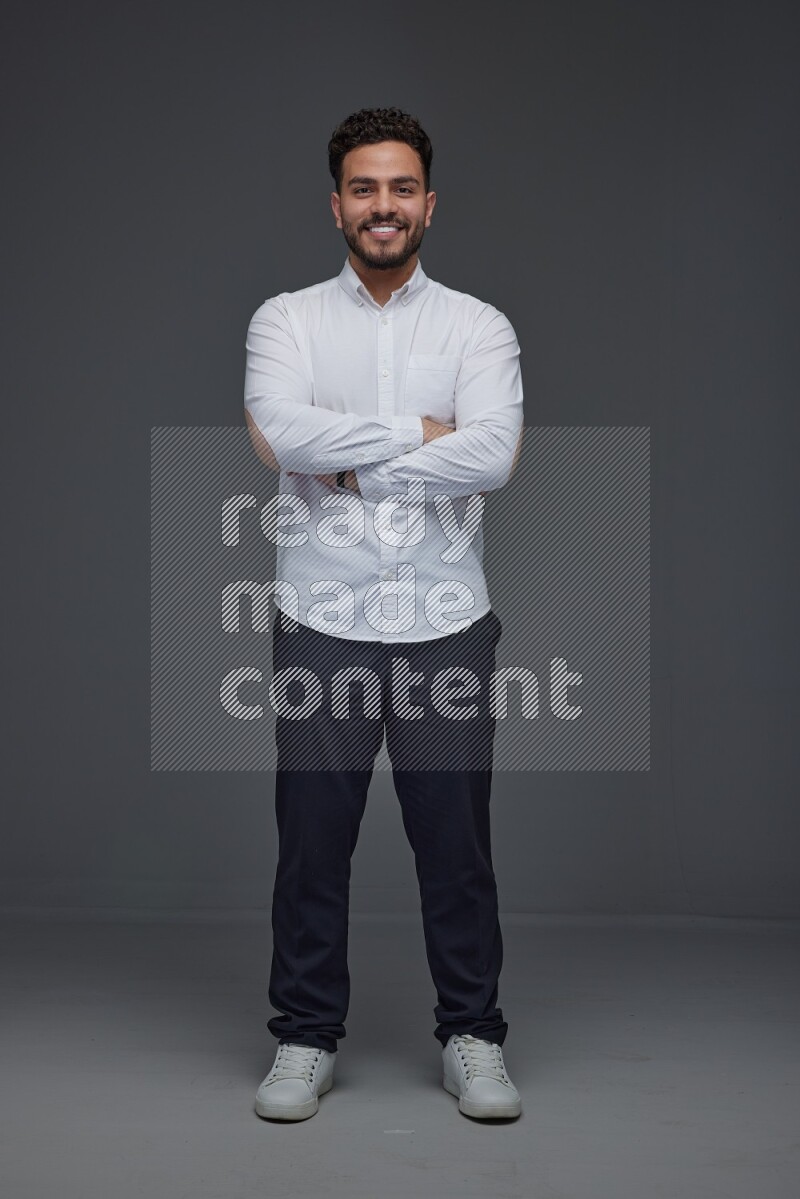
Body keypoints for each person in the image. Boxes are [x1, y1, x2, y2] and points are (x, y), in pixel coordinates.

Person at [243, 107, 524, 1122]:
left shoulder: (477, 326)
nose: (383, 206)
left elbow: (492, 454)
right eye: (364, 188)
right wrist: (418, 434)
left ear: (428, 203)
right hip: (322, 616)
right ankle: (304, 1036)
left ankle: (472, 1032)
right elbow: (278, 430)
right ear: (336, 205)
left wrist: (344, 456)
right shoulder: (284, 320)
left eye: (400, 188)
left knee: (454, 843)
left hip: (446, 620)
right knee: (312, 841)